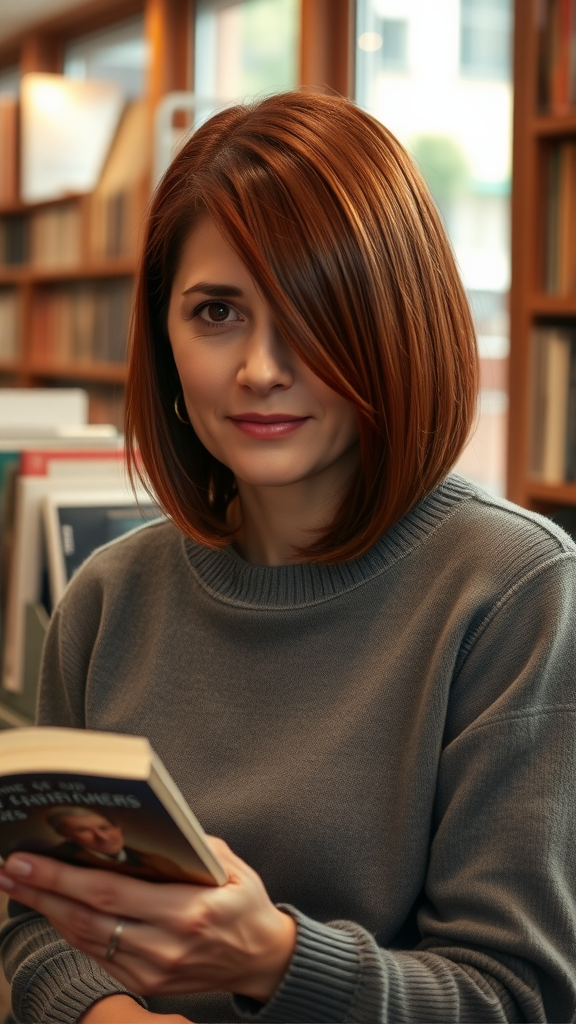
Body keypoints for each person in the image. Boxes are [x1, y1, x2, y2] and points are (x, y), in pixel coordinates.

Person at [0, 91, 575, 1024]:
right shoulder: (109, 597)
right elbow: (40, 916)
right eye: (216, 311)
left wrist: (273, 959)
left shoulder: (514, 590)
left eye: (314, 310)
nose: (261, 369)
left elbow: (516, 996)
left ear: (399, 324)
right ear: (164, 337)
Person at [45, 808, 198, 882]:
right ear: (66, 836)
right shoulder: (59, 865)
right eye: (83, 830)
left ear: (118, 828)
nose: (103, 837)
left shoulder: (158, 862)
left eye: (105, 827)